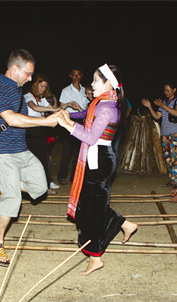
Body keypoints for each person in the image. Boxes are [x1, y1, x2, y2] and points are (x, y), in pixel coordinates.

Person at [57, 64, 138, 276]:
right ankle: (125, 224)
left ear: (108, 83)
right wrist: (64, 114)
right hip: (98, 159)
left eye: (95, 80)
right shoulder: (102, 103)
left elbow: (91, 137)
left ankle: (96, 257)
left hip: (99, 161)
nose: (91, 84)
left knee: (90, 211)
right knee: (91, 206)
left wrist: (67, 125)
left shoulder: (105, 107)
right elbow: (84, 114)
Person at [0, 49, 59, 267]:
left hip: (21, 150)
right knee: (13, 198)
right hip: (2, 153)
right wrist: (44, 123)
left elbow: (26, 115)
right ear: (15, 68)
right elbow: (12, 119)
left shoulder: (17, 90)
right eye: (27, 74)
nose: (30, 79)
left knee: (40, 187)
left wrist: (55, 113)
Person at [141, 82, 177, 188]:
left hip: (175, 132)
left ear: (174, 90)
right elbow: (156, 116)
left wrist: (163, 106)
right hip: (165, 133)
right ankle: (172, 180)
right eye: (165, 90)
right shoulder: (164, 102)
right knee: (168, 158)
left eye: (168, 90)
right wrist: (150, 106)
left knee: (175, 157)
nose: (166, 92)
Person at [24, 74, 61, 193]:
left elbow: (52, 107)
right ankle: (29, 187)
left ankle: (45, 187)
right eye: (41, 86)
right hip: (30, 132)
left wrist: (67, 105)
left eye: (45, 87)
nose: (43, 89)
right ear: (35, 84)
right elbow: (34, 108)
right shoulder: (28, 96)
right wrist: (54, 110)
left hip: (41, 132)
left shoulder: (42, 98)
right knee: (30, 162)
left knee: (44, 161)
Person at [57, 68, 90, 185]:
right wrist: (69, 104)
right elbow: (60, 107)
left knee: (78, 151)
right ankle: (62, 176)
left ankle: (75, 177)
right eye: (74, 74)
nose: (76, 77)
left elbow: (86, 107)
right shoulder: (66, 90)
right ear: (70, 75)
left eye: (79, 74)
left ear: (82, 75)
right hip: (69, 121)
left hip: (81, 121)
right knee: (67, 150)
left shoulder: (84, 91)